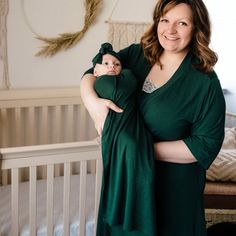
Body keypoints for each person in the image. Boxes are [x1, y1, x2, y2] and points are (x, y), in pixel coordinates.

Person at [80, 0, 226, 235]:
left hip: (173, 194)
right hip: (124, 183)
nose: (170, 30)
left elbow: (205, 145)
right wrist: (92, 102)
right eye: (165, 20)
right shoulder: (138, 55)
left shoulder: (205, 82)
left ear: (197, 28)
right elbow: (93, 71)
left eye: (182, 23)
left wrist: (138, 148)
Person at [91, 43, 157, 236]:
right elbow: (120, 87)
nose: (112, 66)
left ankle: (131, 214)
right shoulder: (102, 83)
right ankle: (130, 216)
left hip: (136, 129)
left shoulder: (122, 77)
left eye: (117, 64)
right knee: (133, 168)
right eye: (106, 63)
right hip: (122, 135)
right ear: (95, 71)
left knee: (139, 174)